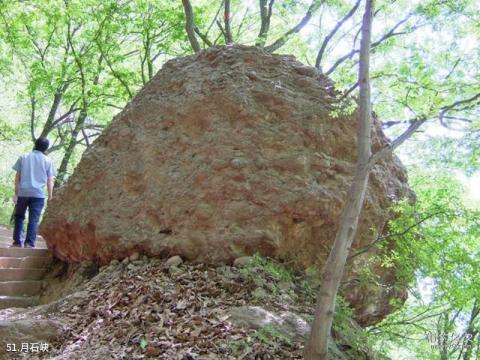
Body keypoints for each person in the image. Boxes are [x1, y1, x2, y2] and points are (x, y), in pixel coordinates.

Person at [11, 137, 56, 248]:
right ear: (46, 148)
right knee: (34, 219)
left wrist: (16, 194)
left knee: (19, 217)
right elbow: (50, 180)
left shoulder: (23, 157)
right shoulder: (48, 161)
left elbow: (17, 178)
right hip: (38, 195)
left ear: (35, 144)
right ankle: (29, 243)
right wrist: (50, 196)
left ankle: (17, 242)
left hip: (23, 193)